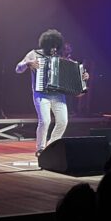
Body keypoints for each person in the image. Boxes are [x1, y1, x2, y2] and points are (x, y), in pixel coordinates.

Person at [16, 29, 88, 157]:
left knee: (63, 121)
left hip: (58, 95)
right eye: (52, 46)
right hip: (41, 94)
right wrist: (28, 63)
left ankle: (51, 146)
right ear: (45, 44)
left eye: (56, 47)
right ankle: (40, 148)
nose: (54, 49)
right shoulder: (34, 54)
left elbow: (73, 76)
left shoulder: (60, 59)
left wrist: (83, 77)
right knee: (45, 121)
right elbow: (18, 69)